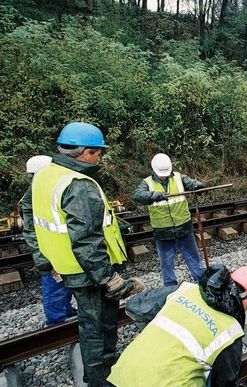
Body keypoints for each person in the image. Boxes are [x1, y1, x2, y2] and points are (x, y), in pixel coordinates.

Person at [23, 122, 144, 386]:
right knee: (99, 330)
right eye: (98, 152)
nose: (100, 157)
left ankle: (98, 373)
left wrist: (44, 260)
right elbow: (87, 242)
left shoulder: (45, 175)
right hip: (89, 275)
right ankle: (102, 379)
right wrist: (109, 279)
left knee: (90, 326)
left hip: (68, 267)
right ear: (84, 152)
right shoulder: (79, 185)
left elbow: (30, 218)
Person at [107, 265, 247, 387]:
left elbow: (136, 307)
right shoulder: (230, 331)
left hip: (121, 375)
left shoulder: (186, 289)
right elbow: (225, 381)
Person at [133, 153, 206, 286]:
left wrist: (198, 186)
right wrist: (152, 195)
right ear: (154, 170)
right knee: (166, 262)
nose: (164, 175)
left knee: (193, 258)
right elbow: (137, 196)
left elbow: (191, 183)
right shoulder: (147, 183)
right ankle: (170, 287)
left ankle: (201, 281)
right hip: (163, 230)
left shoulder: (179, 177)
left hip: (184, 226)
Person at [21, 155, 76, 326]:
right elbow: (30, 230)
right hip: (48, 251)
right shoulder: (32, 196)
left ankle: (65, 311)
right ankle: (56, 321)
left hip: (57, 247)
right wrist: (41, 256)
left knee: (63, 283)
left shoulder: (42, 189)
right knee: (54, 286)